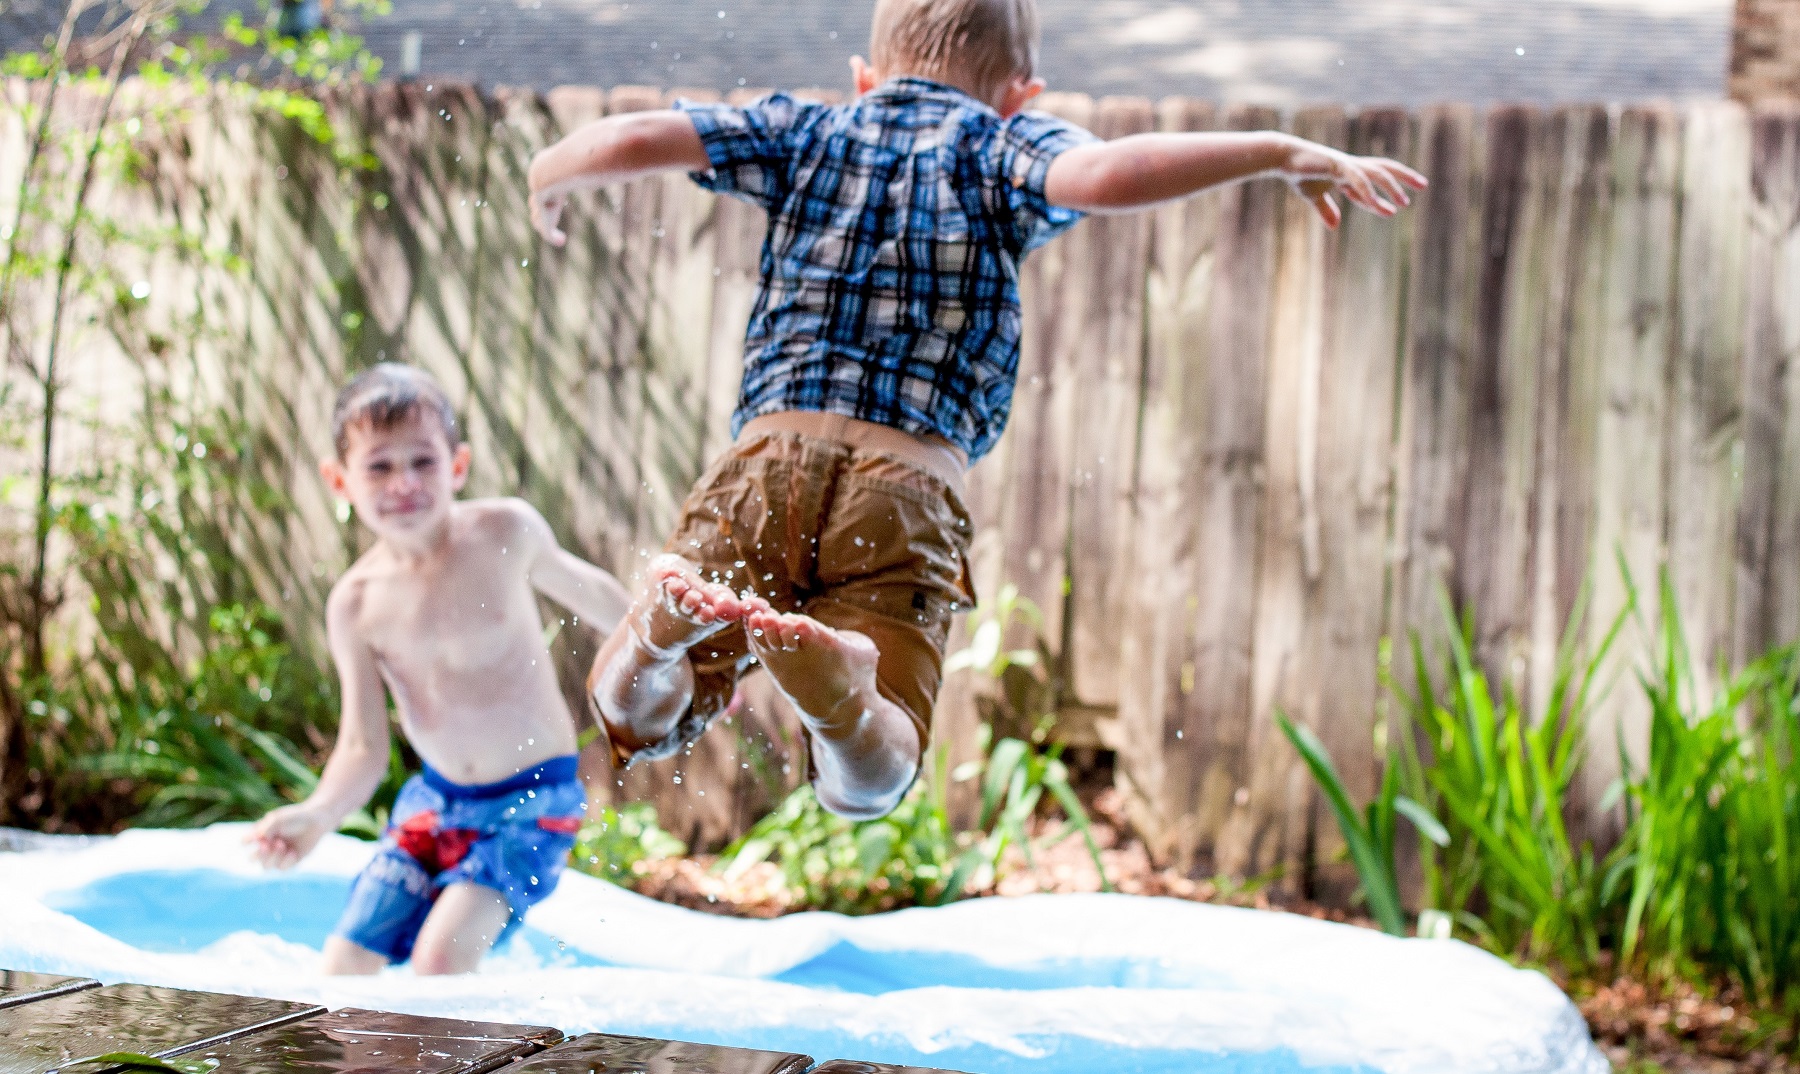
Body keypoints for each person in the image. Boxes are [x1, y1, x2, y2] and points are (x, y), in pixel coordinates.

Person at [525, 0, 1426, 822]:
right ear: (1019, 95)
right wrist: (1277, 150)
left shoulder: (805, 129)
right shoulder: (1003, 146)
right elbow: (1111, 173)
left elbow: (643, 133)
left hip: (766, 460)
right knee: (873, 778)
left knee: (635, 715)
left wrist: (550, 171)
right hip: (908, 485)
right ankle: (842, 704)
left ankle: (654, 637)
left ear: (866, 77)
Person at [246, 363, 632, 976]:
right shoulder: (355, 604)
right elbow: (363, 747)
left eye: (422, 462)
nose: (403, 482)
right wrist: (318, 815)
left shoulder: (504, 533)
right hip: (435, 804)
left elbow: (600, 598)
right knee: (342, 967)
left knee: (439, 961)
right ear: (339, 480)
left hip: (533, 797)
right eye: (379, 466)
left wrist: (682, 656)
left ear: (457, 466)